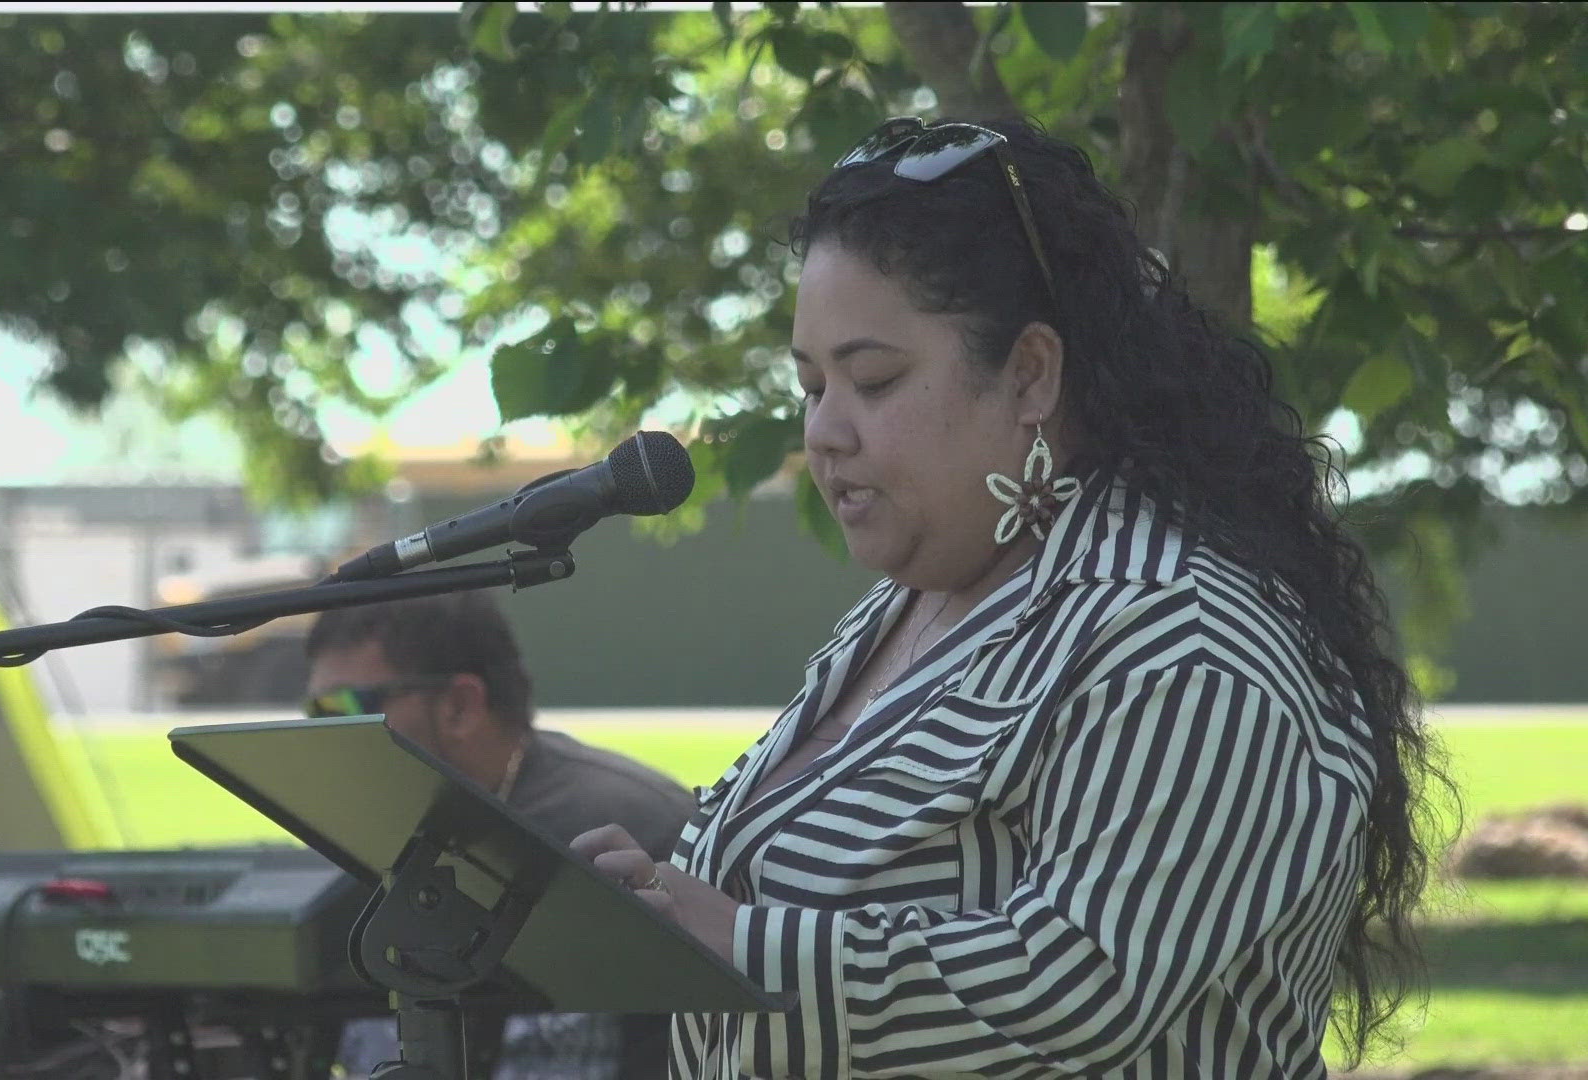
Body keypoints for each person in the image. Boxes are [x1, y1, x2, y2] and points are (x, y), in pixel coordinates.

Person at [574, 116, 1448, 1078]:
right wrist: (648, 898)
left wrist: (739, 940)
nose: (824, 431)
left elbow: (1086, 978)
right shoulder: (920, 603)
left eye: (872, 378)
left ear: (1030, 374)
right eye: (811, 386)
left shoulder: (1183, 639)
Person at [302, 589, 696, 1079]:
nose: (330, 734)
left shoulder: (630, 827)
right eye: (318, 712)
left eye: (345, 706)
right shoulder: (380, 821)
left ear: (461, 706)